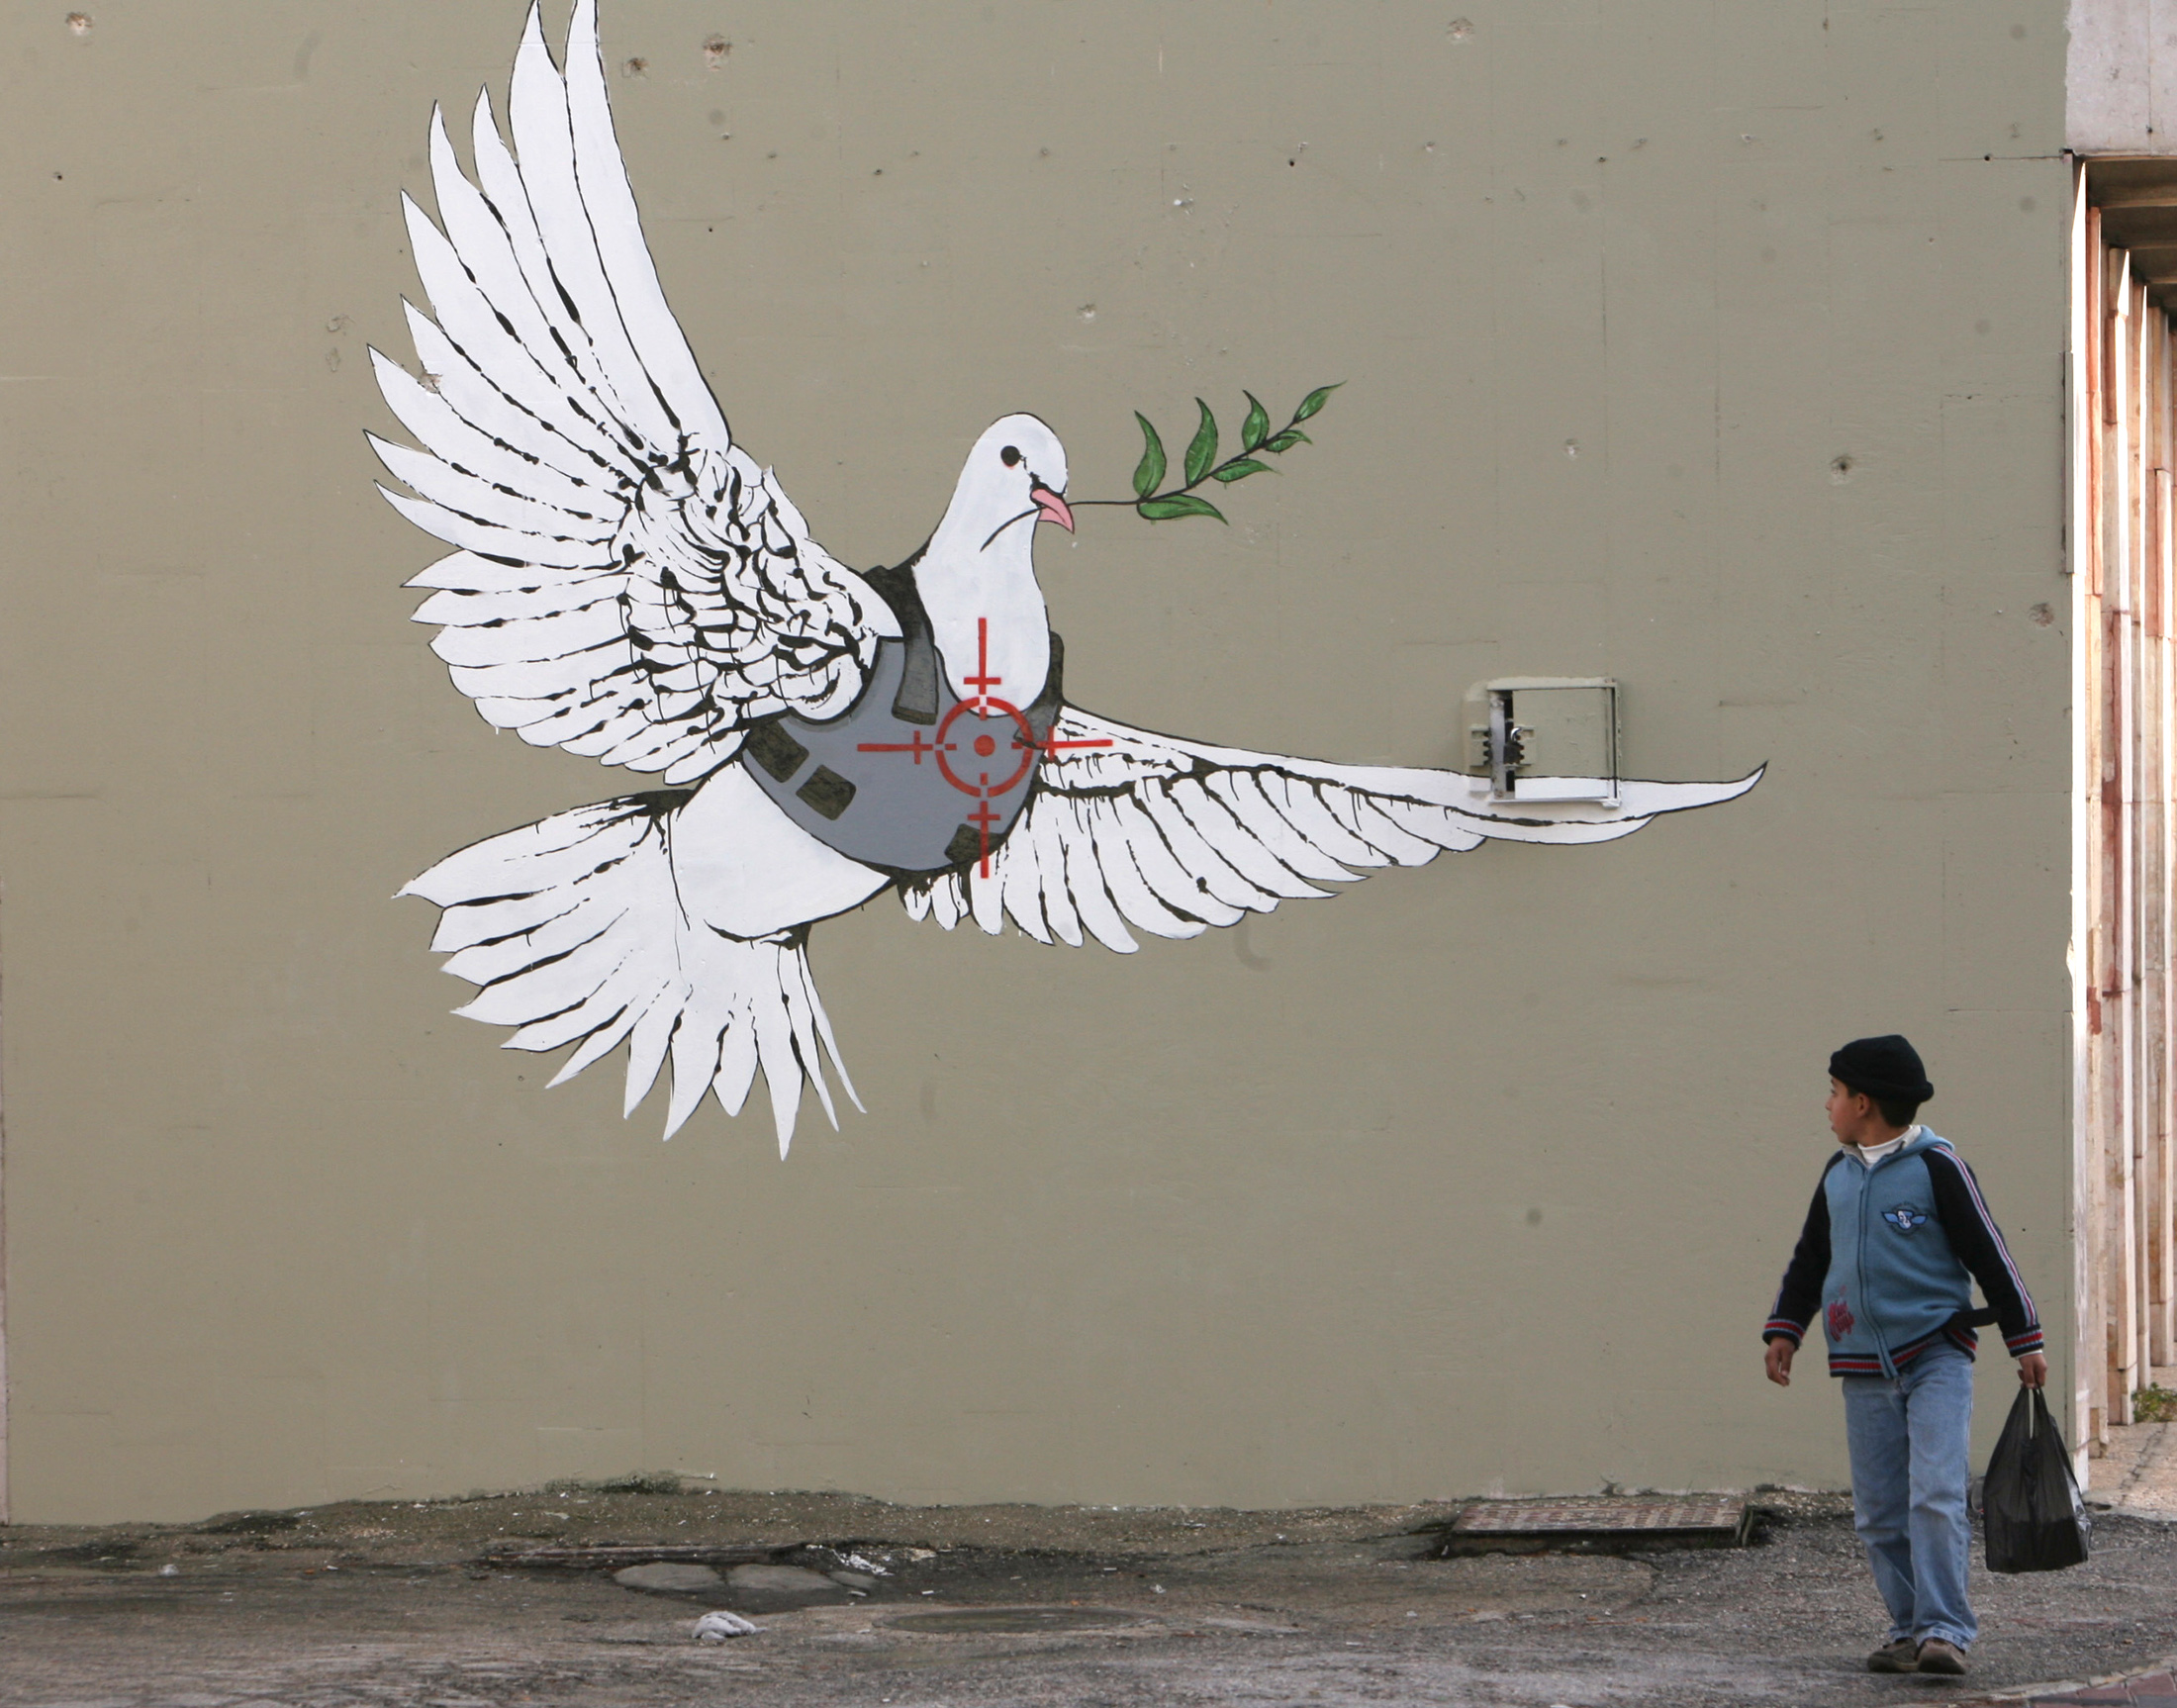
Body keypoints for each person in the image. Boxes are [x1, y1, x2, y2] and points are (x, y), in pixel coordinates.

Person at [1761, 1035, 2046, 1678]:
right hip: (1862, 1365)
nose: (1826, 1105)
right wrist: (1786, 1329)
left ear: (1863, 1103)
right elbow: (1811, 1260)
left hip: (1936, 1354)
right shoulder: (1836, 1177)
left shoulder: (1937, 1167)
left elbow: (1989, 1253)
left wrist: (2023, 1336)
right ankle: (1908, 1625)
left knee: (1937, 1494)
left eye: (1833, 1093)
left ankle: (1945, 1630)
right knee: (1881, 1511)